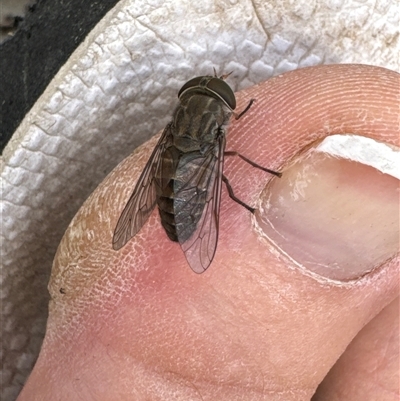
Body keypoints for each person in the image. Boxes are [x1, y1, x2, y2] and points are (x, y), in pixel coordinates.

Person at [17, 64, 399, 401]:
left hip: (174, 168)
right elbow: (224, 165)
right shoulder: (217, 131)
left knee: (180, 173)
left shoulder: (178, 125)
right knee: (218, 177)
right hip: (193, 178)